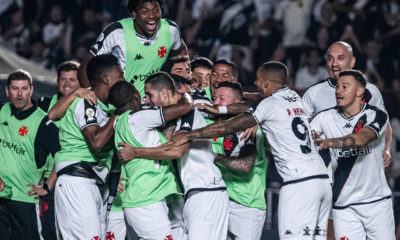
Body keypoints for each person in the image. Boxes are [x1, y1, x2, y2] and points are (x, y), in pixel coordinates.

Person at [167, 61, 331, 239]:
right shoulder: (295, 98)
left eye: (258, 80)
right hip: (321, 179)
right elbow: (253, 102)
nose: (256, 85)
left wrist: (190, 135)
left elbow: (228, 127)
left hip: (299, 182)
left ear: (267, 83)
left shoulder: (268, 104)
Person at [117, 73, 230, 239]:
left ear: (164, 93)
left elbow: (177, 151)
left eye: (149, 94)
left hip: (206, 191)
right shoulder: (169, 116)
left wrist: (136, 152)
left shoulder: (188, 114)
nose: (146, 100)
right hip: (189, 194)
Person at [302, 41, 393, 240]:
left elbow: (381, 126)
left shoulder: (372, 97)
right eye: (330, 58)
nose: (334, 63)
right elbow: (301, 132)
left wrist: (386, 149)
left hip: (373, 190)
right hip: (335, 186)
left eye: (340, 58)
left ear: (352, 61)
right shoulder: (314, 96)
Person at [110, 74, 194, 239]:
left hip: (142, 198)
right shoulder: (139, 119)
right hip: (145, 201)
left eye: (148, 95)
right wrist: (187, 95)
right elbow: (184, 108)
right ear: (135, 96)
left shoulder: (118, 123)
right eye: (143, 95)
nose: (146, 100)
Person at [52, 54, 123, 240]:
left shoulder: (105, 107)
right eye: (121, 75)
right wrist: (119, 113)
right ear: (107, 78)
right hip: (76, 181)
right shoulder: (85, 101)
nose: (124, 80)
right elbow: (97, 142)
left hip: (92, 183)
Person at [78, 0, 188, 98]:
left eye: (156, 10)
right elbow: (86, 67)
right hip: (122, 103)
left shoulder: (170, 29)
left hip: (154, 101)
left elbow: (181, 52)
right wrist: (91, 97)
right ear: (134, 13)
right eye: (145, 11)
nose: (152, 16)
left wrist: (180, 76)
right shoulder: (116, 32)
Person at [0, 70, 60, 239]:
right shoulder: (2, 111)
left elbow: (61, 156)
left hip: (25, 201)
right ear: (7, 91)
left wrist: (46, 187)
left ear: (31, 91)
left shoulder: (43, 122)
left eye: (24, 88)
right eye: (14, 88)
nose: (19, 94)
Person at [212, 81, 268, 240]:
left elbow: (245, 166)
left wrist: (212, 156)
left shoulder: (249, 128)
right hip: (220, 201)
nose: (216, 103)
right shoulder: (213, 125)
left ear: (237, 104)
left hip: (246, 205)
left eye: (222, 99)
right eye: (215, 98)